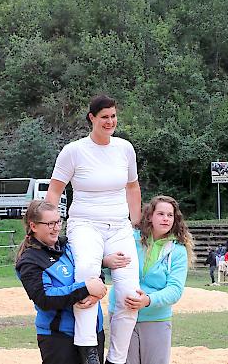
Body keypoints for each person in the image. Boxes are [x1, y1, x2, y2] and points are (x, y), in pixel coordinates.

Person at [46, 94, 141, 364]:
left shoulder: (125, 148)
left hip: (119, 226)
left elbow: (132, 187)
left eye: (113, 116)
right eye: (104, 117)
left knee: (129, 294)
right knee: (88, 275)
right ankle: (88, 351)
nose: (110, 121)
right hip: (85, 223)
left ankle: (117, 359)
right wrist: (52, 225)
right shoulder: (74, 151)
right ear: (92, 118)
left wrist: (136, 224)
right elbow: (55, 189)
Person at [15, 200, 107, 364]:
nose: (57, 227)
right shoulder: (29, 261)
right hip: (58, 337)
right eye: (50, 223)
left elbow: (93, 271)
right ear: (34, 226)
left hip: (92, 331)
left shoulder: (69, 245)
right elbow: (45, 298)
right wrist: (85, 288)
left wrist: (94, 294)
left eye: (58, 221)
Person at [108, 195, 193, 364]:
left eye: (170, 215)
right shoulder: (130, 239)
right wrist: (106, 262)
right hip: (122, 312)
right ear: (149, 216)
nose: (166, 219)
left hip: (156, 318)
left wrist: (148, 300)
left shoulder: (178, 251)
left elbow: (175, 290)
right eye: (161, 214)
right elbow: (111, 266)